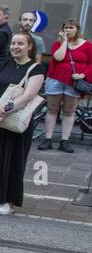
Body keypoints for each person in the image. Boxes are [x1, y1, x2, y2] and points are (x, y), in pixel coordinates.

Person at [0, 31, 46, 215]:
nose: (15, 47)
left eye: (20, 43)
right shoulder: (1, 64)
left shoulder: (36, 68)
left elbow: (28, 96)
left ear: (29, 46)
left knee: (12, 160)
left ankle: (7, 201)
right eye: (13, 43)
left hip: (15, 120)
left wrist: (3, 110)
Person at [39, 20, 91, 153]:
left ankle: (65, 141)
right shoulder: (58, 43)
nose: (68, 30)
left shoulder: (87, 46)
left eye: (71, 27)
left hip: (74, 82)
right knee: (52, 109)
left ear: (77, 29)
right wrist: (64, 42)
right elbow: (58, 57)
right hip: (56, 79)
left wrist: (83, 75)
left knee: (69, 111)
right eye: (65, 27)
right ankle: (48, 139)